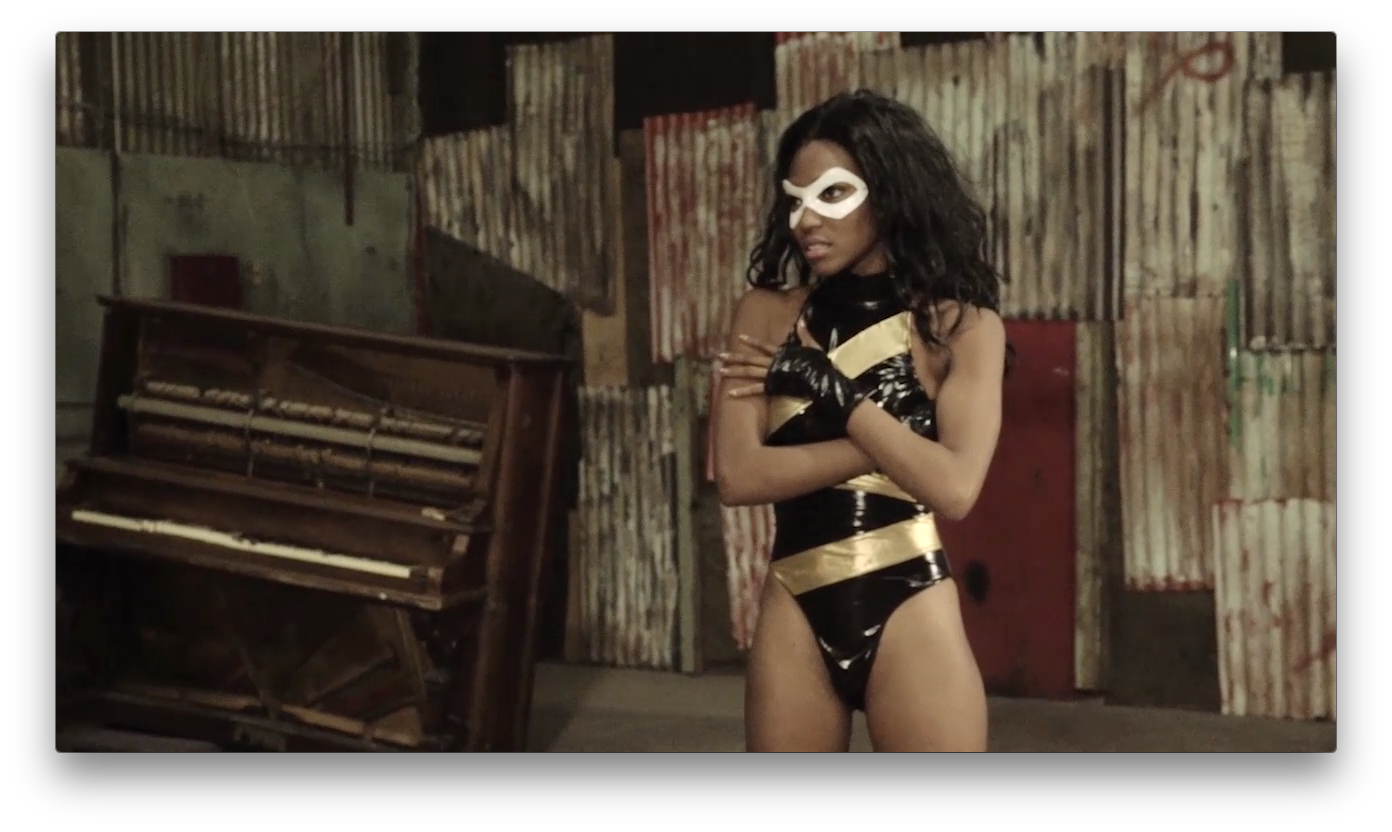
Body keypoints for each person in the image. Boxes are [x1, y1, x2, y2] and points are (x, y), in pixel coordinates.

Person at [712, 89, 1011, 752]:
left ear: (891, 192)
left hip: (910, 606)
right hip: (795, 604)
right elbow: (737, 476)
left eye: (833, 195)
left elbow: (955, 488)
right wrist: (894, 441)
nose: (806, 220)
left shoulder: (959, 326)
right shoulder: (765, 315)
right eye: (795, 200)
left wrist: (841, 400)